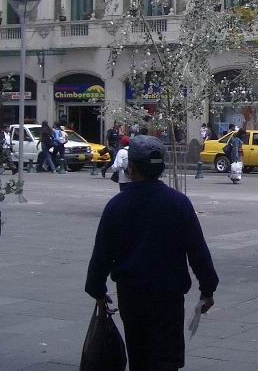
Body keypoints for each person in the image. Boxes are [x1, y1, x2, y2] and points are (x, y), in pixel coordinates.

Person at [85, 136, 219, 371]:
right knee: (167, 358)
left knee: (140, 355)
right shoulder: (179, 204)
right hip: (169, 296)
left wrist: (97, 289)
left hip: (132, 296)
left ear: (132, 167)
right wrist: (207, 289)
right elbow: (198, 251)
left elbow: (102, 254)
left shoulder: (117, 205)